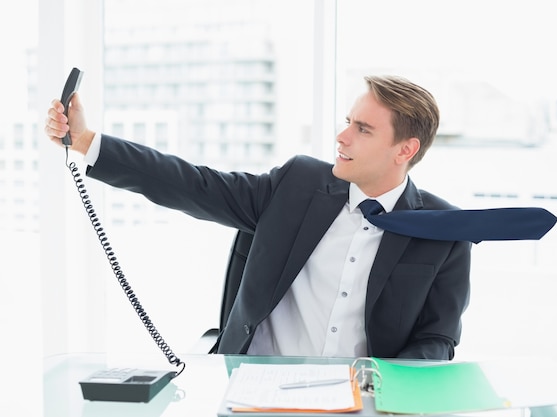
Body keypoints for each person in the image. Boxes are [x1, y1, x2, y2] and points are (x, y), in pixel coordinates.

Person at [45, 75, 471, 360]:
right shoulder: (297, 184)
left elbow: (437, 339)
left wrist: (382, 385)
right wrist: (85, 141)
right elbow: (194, 184)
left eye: (363, 129)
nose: (341, 136)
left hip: (363, 402)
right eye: (348, 122)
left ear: (405, 150)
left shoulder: (446, 230)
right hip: (256, 389)